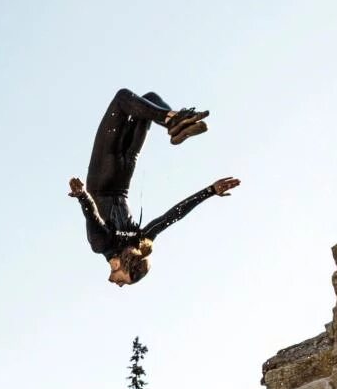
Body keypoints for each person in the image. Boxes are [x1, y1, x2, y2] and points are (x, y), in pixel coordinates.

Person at [69, 88, 239, 285]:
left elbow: (171, 217)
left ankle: (173, 122)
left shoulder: (133, 241)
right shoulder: (106, 245)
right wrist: (81, 194)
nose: (118, 283)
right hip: (105, 174)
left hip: (123, 172)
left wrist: (210, 191)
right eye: (123, 281)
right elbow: (172, 216)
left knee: (146, 101)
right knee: (123, 99)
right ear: (121, 265)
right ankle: (174, 122)